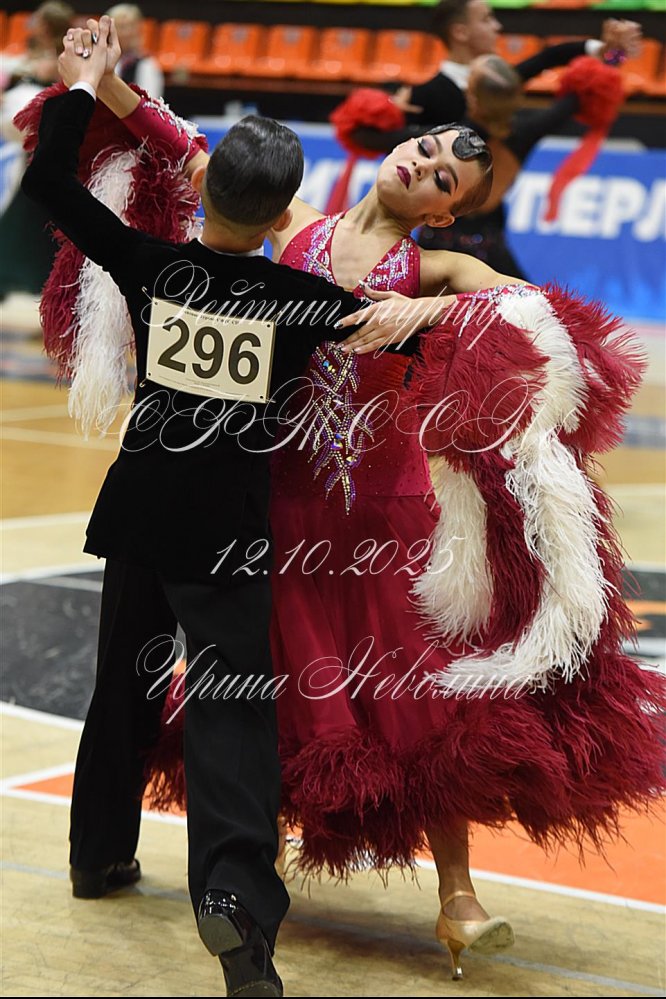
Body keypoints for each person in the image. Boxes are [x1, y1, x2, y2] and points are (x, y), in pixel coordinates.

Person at [36, 21, 666, 983]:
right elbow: (186, 147)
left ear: (446, 214)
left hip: (381, 510)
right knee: (263, 699)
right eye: (426, 145)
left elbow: (532, 310)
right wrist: (113, 86)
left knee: (420, 702)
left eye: (446, 176)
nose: (425, 161)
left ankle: (455, 893)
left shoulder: (434, 268)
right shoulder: (295, 226)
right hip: (278, 502)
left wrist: (434, 309)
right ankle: (244, 879)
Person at [20, 17, 434, 997]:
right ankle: (235, 908)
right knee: (232, 716)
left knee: (120, 687)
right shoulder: (299, 300)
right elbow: (413, 330)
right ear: (284, 212)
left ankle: (96, 856)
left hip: (139, 513)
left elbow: (49, 187)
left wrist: (81, 84)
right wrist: (431, 305)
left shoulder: (152, 264)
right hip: (227, 535)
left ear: (203, 195)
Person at [105, 4, 163, 96]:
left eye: (132, 26)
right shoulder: (103, 60)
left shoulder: (147, 64)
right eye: (122, 27)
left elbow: (149, 100)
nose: (128, 32)